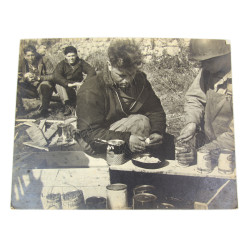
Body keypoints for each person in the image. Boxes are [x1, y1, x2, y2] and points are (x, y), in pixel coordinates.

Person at [76, 39, 174, 158]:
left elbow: (155, 110)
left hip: (127, 131)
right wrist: (126, 138)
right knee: (140, 122)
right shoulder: (91, 90)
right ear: (109, 65)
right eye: (121, 75)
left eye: (131, 74)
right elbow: (89, 133)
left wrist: (157, 131)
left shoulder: (140, 81)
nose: (127, 80)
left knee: (164, 142)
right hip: (95, 142)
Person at [176, 39, 234, 165]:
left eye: (209, 61)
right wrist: (191, 122)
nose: (204, 66)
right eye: (201, 62)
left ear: (227, 54)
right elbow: (195, 98)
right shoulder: (208, 71)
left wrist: (203, 152)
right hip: (209, 142)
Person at [53, 46, 96, 116]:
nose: (71, 58)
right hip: (66, 85)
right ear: (65, 56)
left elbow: (91, 71)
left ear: (76, 55)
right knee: (58, 84)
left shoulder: (80, 62)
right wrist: (67, 84)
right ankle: (67, 105)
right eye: (69, 56)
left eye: (73, 55)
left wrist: (84, 83)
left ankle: (83, 105)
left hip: (78, 84)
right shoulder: (61, 64)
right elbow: (56, 76)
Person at [17, 45, 54, 117]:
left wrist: (38, 78)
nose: (30, 58)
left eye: (32, 55)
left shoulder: (44, 60)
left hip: (41, 87)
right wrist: (25, 77)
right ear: (24, 56)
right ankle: (20, 108)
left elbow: (52, 76)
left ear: (35, 54)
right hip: (28, 88)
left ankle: (44, 109)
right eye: (28, 56)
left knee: (45, 84)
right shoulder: (21, 63)